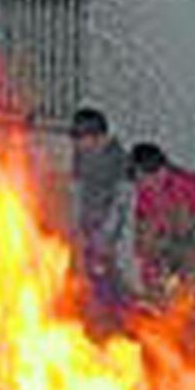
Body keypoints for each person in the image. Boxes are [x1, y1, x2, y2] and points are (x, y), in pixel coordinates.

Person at [130, 141, 195, 295]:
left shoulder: (186, 183)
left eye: (146, 178)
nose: (144, 185)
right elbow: (144, 235)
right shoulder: (144, 191)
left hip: (193, 247)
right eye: (140, 180)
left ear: (161, 170)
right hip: (166, 250)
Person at [69, 106, 135, 307]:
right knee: (93, 273)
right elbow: (78, 188)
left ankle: (120, 312)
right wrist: (77, 222)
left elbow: (122, 199)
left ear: (96, 135)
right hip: (91, 223)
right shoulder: (81, 154)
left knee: (110, 273)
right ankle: (101, 311)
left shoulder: (118, 158)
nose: (77, 144)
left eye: (81, 138)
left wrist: (108, 233)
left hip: (112, 229)